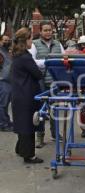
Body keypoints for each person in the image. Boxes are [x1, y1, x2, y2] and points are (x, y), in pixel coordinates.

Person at [29, 21, 65, 148]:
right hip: (40, 81)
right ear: (40, 31)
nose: (48, 32)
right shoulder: (34, 44)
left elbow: (63, 58)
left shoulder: (58, 44)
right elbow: (31, 61)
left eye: (49, 30)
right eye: (45, 30)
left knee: (54, 109)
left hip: (55, 81)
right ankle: (40, 136)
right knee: (41, 109)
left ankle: (55, 134)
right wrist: (47, 62)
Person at [11, 28, 43, 164]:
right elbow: (37, 74)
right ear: (25, 40)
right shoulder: (25, 56)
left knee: (22, 123)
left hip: (19, 93)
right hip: (27, 94)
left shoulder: (18, 55)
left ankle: (20, 149)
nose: (32, 41)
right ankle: (29, 155)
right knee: (28, 125)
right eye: (30, 38)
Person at [0, 35, 13, 132]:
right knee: (3, 104)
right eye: (5, 40)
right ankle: (3, 124)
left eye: (8, 40)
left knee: (5, 103)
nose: (7, 42)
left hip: (9, 81)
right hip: (3, 81)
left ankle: (7, 121)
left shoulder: (8, 52)